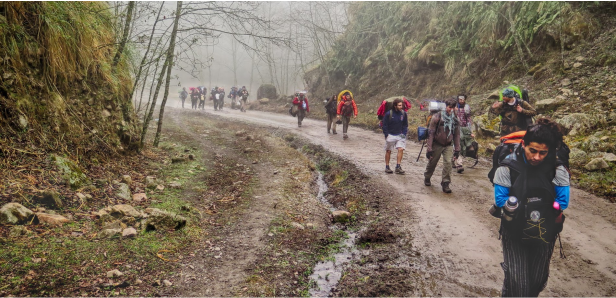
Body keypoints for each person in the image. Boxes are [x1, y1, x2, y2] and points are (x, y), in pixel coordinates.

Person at [491, 118, 569, 298]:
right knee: (519, 283)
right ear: (523, 144)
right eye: (532, 151)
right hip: (514, 230)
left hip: (546, 231)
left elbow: (563, 201)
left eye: (543, 153)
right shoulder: (507, 167)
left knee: (538, 280)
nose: (537, 157)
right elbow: (500, 199)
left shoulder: (558, 169)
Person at [424, 98, 461, 193]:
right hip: (437, 143)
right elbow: (431, 133)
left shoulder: (455, 119)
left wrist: (457, 149)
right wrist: (429, 149)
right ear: (445, 107)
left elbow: (456, 134)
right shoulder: (437, 117)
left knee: (448, 163)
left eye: (453, 107)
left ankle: (446, 183)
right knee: (432, 162)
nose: (451, 110)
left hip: (448, 144)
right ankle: (427, 177)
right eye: (449, 107)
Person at [382, 98, 408, 174]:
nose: (401, 107)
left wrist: (404, 133)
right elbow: (385, 125)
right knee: (389, 151)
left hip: (400, 135)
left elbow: (405, 125)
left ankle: (398, 166)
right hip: (390, 135)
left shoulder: (403, 113)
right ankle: (387, 167)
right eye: (399, 105)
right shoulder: (388, 114)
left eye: (402, 105)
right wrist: (386, 134)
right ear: (395, 106)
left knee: (401, 149)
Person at [453, 94, 474, 173]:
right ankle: (458, 164)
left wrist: (470, 131)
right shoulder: (453, 107)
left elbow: (469, 119)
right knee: (456, 145)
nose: (461, 101)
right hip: (455, 128)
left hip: (464, 129)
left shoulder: (467, 108)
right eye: (460, 99)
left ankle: (456, 162)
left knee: (462, 146)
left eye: (463, 99)